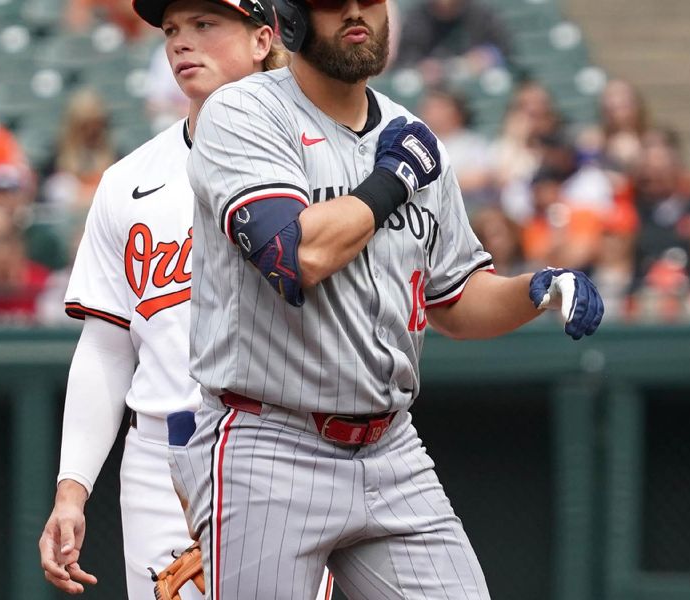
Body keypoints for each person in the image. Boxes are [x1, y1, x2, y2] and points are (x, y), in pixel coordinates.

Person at [177, 0, 605, 598]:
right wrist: (390, 182)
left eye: (369, 0)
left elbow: (453, 298)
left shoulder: (410, 136)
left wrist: (533, 292)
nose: (356, 12)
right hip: (269, 443)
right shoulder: (244, 112)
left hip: (392, 448)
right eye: (333, 1)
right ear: (293, 17)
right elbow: (294, 256)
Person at [37, 1, 333, 599]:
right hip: (161, 454)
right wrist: (72, 488)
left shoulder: (324, 161)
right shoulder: (129, 179)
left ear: (262, 40)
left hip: (286, 445)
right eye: (173, 29)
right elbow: (106, 346)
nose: (180, 43)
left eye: (205, 25)